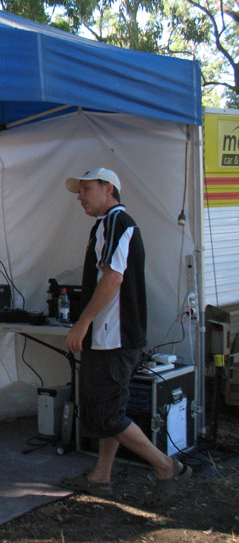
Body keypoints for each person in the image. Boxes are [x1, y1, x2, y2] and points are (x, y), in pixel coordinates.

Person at [59, 167, 192, 507]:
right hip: (115, 337)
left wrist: (82, 323)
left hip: (112, 338)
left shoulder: (115, 221)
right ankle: (100, 478)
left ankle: (166, 466)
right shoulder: (109, 224)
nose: (80, 196)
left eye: (87, 189)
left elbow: (113, 279)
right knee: (110, 409)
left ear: (109, 190)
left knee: (106, 414)